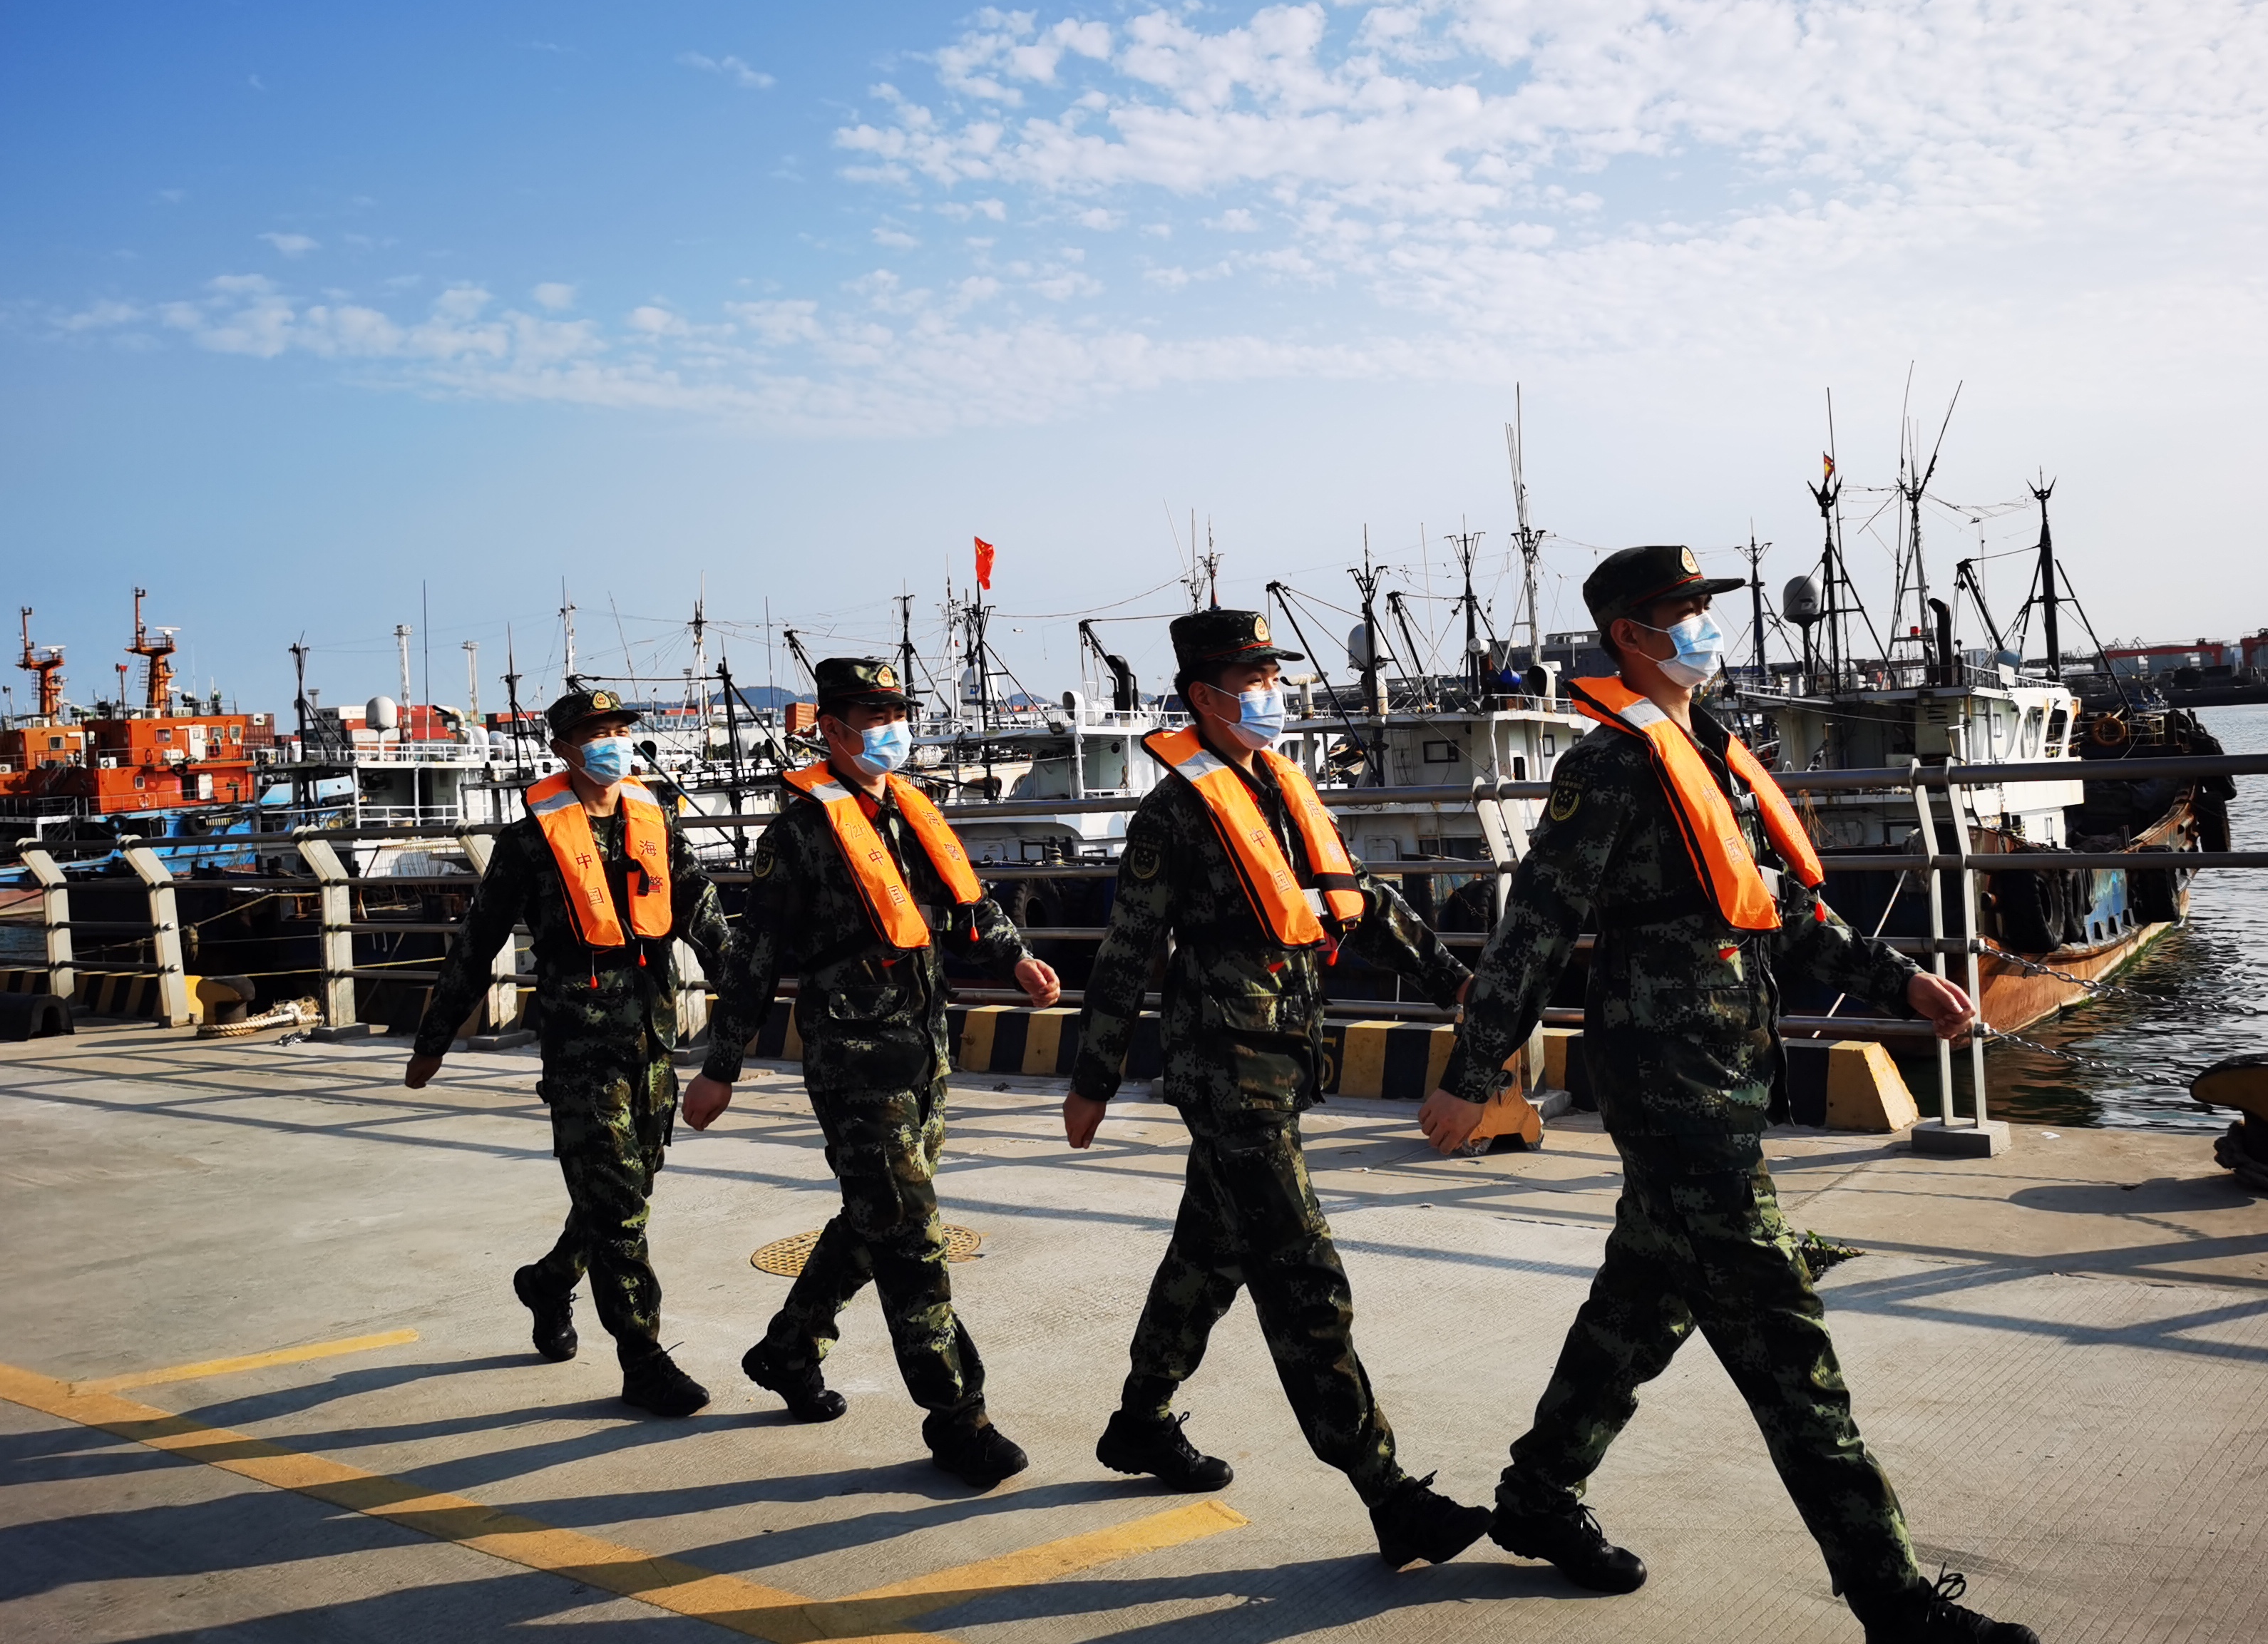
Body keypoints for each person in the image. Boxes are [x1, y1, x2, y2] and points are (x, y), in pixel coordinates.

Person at [1417, 546, 2040, 1644]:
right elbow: (1536, 927)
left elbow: (1778, 910)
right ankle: (1893, 1599)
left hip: (1722, 1073)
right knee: (1784, 1339)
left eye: (1707, 609)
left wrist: (1900, 979)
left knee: (1644, 1299)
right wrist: (1473, 1070)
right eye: (1683, 612)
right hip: (1671, 1087)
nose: (1705, 626)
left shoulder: (1706, 750)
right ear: (1628, 637)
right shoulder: (1612, 767)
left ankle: (1538, 1497)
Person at [1062, 606, 1489, 1569]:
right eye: (1251, 680)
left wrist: (1447, 976)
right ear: (1204, 696)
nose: (1270, 693)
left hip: (1282, 1060)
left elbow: (1354, 900)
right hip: (1227, 1072)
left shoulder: (1279, 789)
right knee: (1303, 1279)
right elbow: (1128, 953)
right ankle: (1388, 1492)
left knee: (1207, 1258)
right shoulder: (1173, 815)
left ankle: (1139, 1420)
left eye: (1272, 675)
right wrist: (1093, 1081)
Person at [686, 657, 1060, 1489]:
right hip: (853, 1060)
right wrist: (721, 1068)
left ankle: (788, 1350)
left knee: (875, 1217)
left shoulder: (909, 811)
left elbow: (969, 903)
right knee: (912, 1233)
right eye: (870, 713)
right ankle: (958, 1417)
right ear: (831, 727)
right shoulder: (797, 835)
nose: (889, 726)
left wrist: (1018, 959)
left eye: (896, 710)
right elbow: (754, 958)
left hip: (924, 1050)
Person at [406, 685, 727, 1417]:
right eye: (593, 731)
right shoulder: (530, 843)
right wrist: (434, 1043)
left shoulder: (659, 825)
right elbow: (477, 942)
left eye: (616, 727)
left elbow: (709, 922)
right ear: (563, 748)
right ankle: (642, 1359)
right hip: (580, 1052)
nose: (609, 740)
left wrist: (740, 1024)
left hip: (651, 1043)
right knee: (617, 1207)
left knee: (627, 1189)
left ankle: (549, 1281)